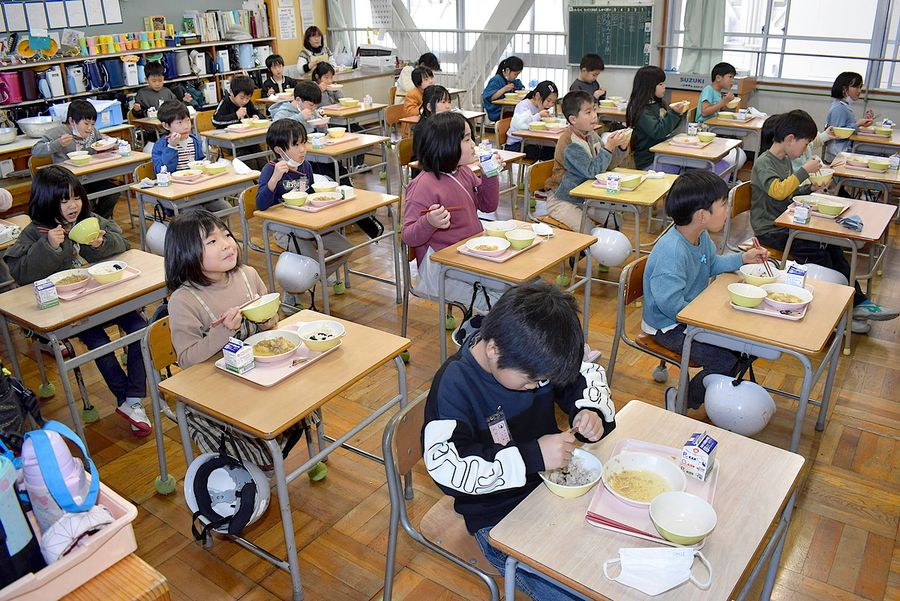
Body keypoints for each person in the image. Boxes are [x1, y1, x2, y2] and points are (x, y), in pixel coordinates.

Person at [423, 282, 616, 601]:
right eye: (532, 381)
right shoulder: (454, 385)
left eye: (544, 381)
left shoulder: (530, 354)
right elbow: (448, 468)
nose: (539, 386)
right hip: (497, 517)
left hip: (551, 492)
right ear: (493, 349)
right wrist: (531, 457)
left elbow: (581, 376)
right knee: (573, 592)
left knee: (607, 557)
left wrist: (590, 410)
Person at [3, 166, 150, 435]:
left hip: (105, 297)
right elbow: (19, 272)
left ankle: (133, 397)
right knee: (98, 342)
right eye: (63, 200)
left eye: (76, 197)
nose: (73, 206)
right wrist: (49, 246)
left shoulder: (90, 220)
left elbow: (123, 244)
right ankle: (129, 400)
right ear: (47, 200)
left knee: (142, 327)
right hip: (69, 309)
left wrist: (101, 245)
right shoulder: (36, 231)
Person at [164, 209, 305, 468]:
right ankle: (257, 463)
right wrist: (223, 332)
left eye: (226, 235)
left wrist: (269, 320)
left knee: (304, 396)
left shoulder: (247, 275)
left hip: (258, 372)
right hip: (217, 387)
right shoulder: (184, 300)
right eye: (212, 241)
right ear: (186, 254)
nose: (227, 245)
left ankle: (282, 451)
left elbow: (274, 321)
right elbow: (186, 360)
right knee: (250, 436)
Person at [751, 109, 899, 331]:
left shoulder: (783, 160)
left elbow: (789, 193)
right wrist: (803, 172)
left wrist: (811, 187)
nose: (806, 147)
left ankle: (856, 303)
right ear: (790, 139)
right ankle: (837, 310)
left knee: (833, 245)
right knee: (816, 250)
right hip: (770, 229)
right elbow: (778, 191)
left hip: (786, 222)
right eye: (806, 142)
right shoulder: (765, 162)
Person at [643, 170, 769, 410]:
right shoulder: (672, 253)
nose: (727, 209)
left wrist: (744, 258)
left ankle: (719, 395)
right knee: (723, 359)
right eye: (723, 204)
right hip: (669, 326)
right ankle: (683, 399)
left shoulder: (699, 237)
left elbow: (712, 264)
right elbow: (670, 306)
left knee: (748, 348)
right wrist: (709, 319)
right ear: (702, 215)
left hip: (692, 315)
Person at [402, 112, 504, 309]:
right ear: (446, 146)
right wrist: (429, 222)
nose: (473, 144)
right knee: (503, 300)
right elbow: (408, 236)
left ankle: (479, 329)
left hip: (469, 256)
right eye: (466, 139)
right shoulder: (423, 185)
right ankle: (475, 334)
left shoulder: (463, 171)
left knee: (516, 283)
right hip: (440, 268)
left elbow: (488, 206)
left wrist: (489, 174)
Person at [255, 119, 349, 301]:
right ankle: (291, 295)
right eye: (296, 145)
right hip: (285, 229)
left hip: (310, 223)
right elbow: (261, 204)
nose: (302, 149)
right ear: (279, 150)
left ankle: (313, 276)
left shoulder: (305, 166)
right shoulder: (270, 169)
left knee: (345, 248)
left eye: (304, 143)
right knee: (313, 261)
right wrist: (274, 179)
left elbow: (311, 193)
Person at [546, 90, 629, 233]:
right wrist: (608, 147)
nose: (594, 116)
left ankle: (598, 253)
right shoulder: (569, 143)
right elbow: (592, 171)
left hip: (585, 197)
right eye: (588, 112)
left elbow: (606, 165)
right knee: (589, 230)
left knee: (615, 222)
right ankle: (579, 254)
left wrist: (620, 147)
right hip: (563, 200)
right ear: (573, 119)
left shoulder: (591, 135)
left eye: (595, 110)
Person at [32, 99, 120, 220]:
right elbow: (36, 151)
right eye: (86, 123)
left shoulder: (93, 132)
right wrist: (57, 144)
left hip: (91, 176)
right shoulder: (57, 132)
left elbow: (102, 141)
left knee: (113, 192)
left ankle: (98, 221)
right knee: (83, 200)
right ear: (72, 121)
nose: (90, 128)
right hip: (67, 181)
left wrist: (110, 144)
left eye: (93, 124)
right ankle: (84, 222)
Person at [151, 101, 230, 213]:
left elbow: (198, 163)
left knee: (225, 209)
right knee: (198, 214)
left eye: (187, 120)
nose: (186, 126)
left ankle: (209, 230)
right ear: (166, 125)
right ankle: (204, 229)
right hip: (178, 195)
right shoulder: (160, 146)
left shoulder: (194, 140)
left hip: (198, 189)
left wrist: (205, 163)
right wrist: (171, 147)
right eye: (179, 123)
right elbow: (162, 171)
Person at [626, 65, 688, 170]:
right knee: (685, 169)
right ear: (648, 86)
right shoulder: (642, 110)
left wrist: (680, 114)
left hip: (663, 153)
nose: (664, 87)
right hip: (649, 160)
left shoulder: (656, 103)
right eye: (660, 84)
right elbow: (658, 131)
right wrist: (674, 114)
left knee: (691, 166)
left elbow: (668, 127)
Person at [695, 62, 747, 172]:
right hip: (703, 129)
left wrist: (726, 104)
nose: (732, 81)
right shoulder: (708, 90)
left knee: (738, 141)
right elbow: (705, 112)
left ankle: (727, 172)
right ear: (718, 78)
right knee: (732, 143)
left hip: (713, 127)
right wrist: (724, 101)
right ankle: (720, 170)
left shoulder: (718, 92)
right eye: (730, 77)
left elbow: (716, 110)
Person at [823, 71, 874, 162]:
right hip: (837, 154)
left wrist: (862, 124)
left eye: (860, 87)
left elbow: (847, 127)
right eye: (855, 87)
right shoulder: (839, 108)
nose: (859, 91)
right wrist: (858, 124)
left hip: (841, 152)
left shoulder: (843, 105)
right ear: (844, 89)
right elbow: (839, 133)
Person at [506, 80, 559, 161]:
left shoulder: (539, 106)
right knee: (551, 154)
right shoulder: (523, 106)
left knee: (557, 150)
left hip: (531, 142)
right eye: (548, 100)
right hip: (516, 145)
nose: (551, 104)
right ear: (538, 96)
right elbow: (521, 125)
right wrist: (539, 115)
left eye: (553, 102)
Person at [411, 84, 453, 166]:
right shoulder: (423, 129)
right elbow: (426, 158)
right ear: (429, 107)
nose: (448, 106)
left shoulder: (446, 124)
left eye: (449, 102)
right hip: (426, 170)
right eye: (443, 102)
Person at [482, 56, 524, 122]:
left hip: (508, 109)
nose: (516, 76)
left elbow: (520, 87)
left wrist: (522, 89)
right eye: (515, 74)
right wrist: (504, 89)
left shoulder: (512, 80)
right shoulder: (496, 80)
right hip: (497, 112)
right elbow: (491, 97)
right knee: (520, 118)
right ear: (507, 70)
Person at [400, 67, 435, 137]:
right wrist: (425, 106)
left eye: (431, 78)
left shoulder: (432, 91)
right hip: (412, 131)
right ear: (418, 83)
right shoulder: (412, 94)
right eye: (426, 79)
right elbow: (409, 112)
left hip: (427, 126)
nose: (431, 81)